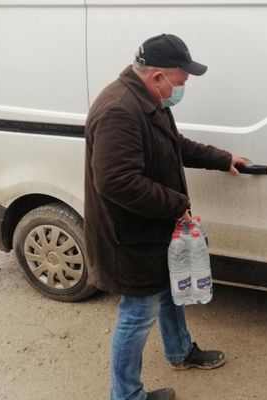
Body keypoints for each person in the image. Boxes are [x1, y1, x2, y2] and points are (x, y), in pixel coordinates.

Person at [84, 33, 247, 400]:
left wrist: (221, 158)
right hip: (129, 237)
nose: (183, 85)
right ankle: (125, 395)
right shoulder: (119, 110)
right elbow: (116, 181)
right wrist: (176, 204)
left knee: (172, 292)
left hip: (153, 230)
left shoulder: (149, 100)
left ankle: (179, 352)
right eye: (181, 78)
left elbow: (175, 145)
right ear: (157, 76)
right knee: (137, 314)